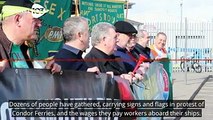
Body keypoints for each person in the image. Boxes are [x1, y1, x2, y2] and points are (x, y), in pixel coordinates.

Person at [0, 0, 61, 73]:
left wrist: (45, 73)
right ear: (18, 20)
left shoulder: (23, 48)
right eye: (35, 19)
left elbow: (25, 83)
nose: (39, 24)